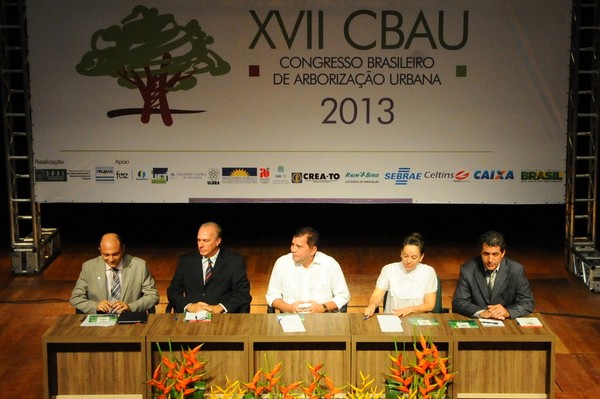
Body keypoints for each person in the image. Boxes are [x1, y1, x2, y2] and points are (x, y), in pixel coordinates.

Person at [167, 222, 251, 313]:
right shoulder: (186, 261)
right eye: (199, 240)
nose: (200, 245)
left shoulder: (234, 261)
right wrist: (189, 306)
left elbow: (242, 294)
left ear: (218, 241)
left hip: (222, 317)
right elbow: (173, 291)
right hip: (192, 317)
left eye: (205, 241)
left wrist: (220, 307)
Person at [452, 230, 534, 319]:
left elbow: (527, 302)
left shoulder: (516, 270)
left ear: (503, 253)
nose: (490, 260)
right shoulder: (468, 269)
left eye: (495, 254)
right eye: (486, 254)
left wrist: (508, 312)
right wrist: (480, 312)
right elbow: (459, 302)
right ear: (480, 253)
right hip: (478, 323)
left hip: (506, 323)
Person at [70, 233, 159, 314]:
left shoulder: (139, 266)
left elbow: (153, 296)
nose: (111, 259)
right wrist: (95, 306)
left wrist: (130, 307)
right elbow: (76, 298)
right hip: (99, 320)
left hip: (129, 318)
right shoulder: (89, 267)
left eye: (115, 254)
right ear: (100, 250)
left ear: (123, 249)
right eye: (106, 255)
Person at [266, 227, 350, 313]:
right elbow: (272, 295)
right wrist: (288, 308)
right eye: (292, 244)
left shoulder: (330, 264)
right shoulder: (282, 263)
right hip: (290, 317)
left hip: (322, 317)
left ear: (313, 250)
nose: (293, 250)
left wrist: (322, 308)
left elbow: (342, 296)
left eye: (299, 246)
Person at [363, 232, 437, 318]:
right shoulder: (389, 269)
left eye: (413, 257)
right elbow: (376, 296)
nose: (408, 261)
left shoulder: (428, 272)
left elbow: (429, 305)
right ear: (401, 253)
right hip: (392, 319)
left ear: (421, 257)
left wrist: (409, 310)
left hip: (417, 320)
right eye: (405, 256)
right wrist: (372, 305)